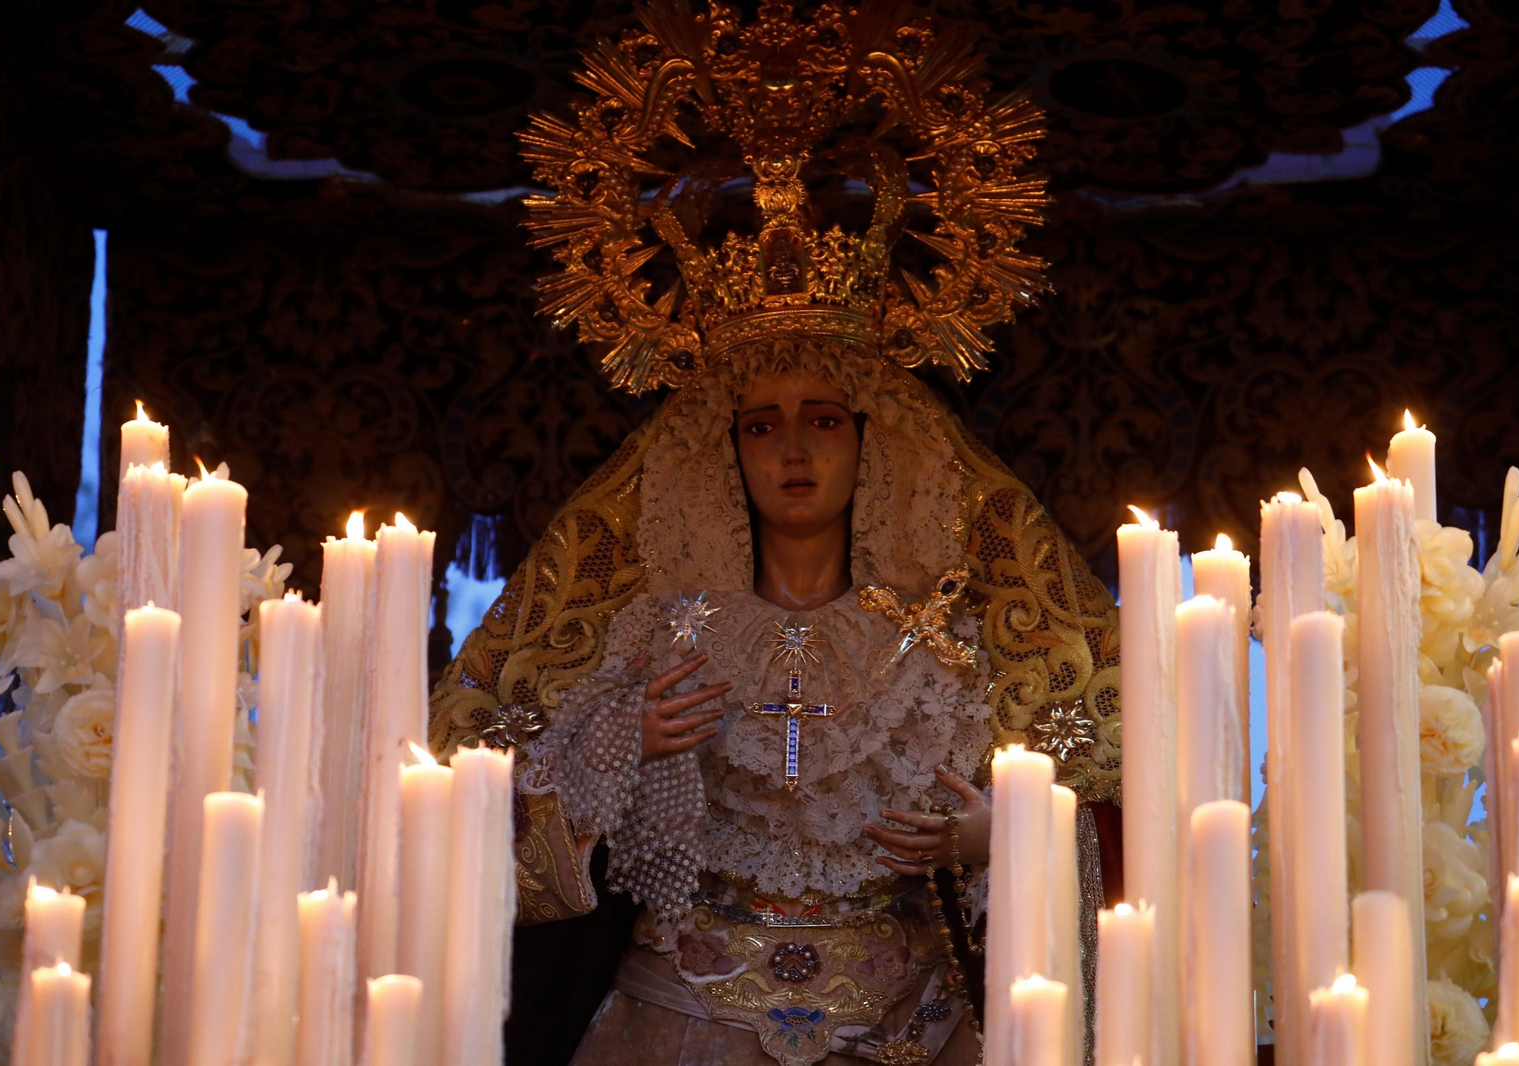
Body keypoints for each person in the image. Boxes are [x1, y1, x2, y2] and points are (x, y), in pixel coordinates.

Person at [428, 4, 1122, 1063]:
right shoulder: (658, 632)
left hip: (908, 1028)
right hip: (681, 1017)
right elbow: (493, 831)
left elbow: (1093, 821)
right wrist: (626, 741)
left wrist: (1001, 837)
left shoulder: (944, 640)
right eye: (760, 424)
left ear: (871, 441)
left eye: (824, 420)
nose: (792, 450)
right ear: (726, 450)